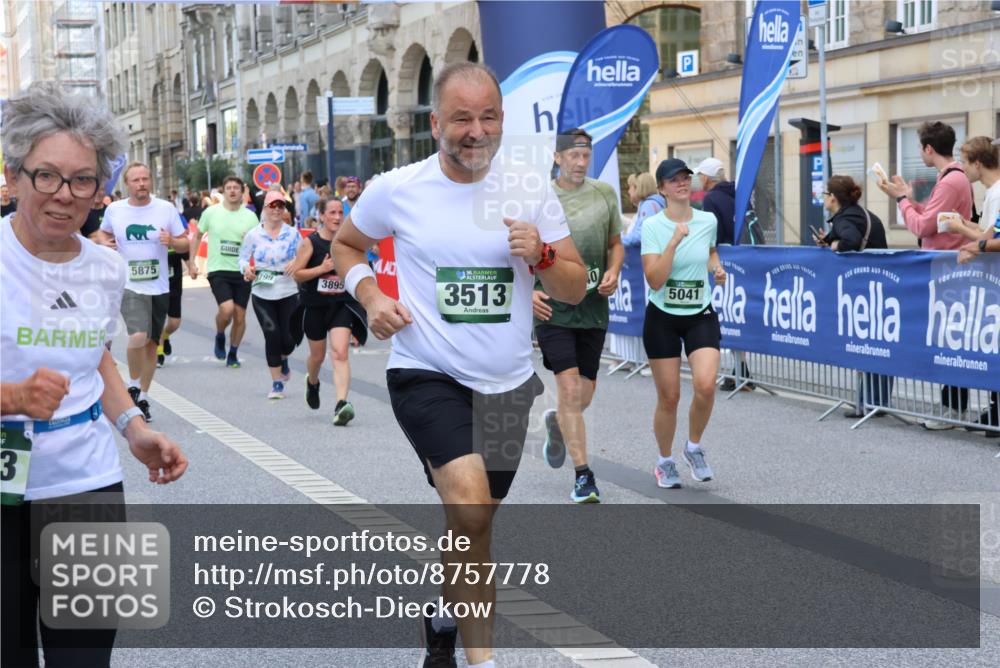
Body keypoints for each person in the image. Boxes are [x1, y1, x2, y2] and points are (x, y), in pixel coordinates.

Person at [332, 61, 585, 668]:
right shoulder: (398, 187)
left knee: (473, 528)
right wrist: (370, 297)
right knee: (470, 505)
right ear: (436, 121)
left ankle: (444, 617)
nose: (477, 131)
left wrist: (544, 252)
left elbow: (574, 287)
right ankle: (485, 663)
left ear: (503, 119)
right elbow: (346, 245)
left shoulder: (529, 187)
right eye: (463, 118)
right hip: (426, 372)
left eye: (489, 116)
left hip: (508, 386)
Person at [1, 81, 188, 668]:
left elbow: (96, 355)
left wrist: (132, 427)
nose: (65, 195)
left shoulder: (107, 268)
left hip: (87, 483)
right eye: (47, 176)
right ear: (13, 177)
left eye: (83, 180)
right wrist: (11, 396)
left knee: (84, 659)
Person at [533, 129, 622, 503]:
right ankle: (584, 476)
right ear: (558, 157)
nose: (581, 162)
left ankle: (557, 422)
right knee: (569, 388)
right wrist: (531, 292)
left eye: (586, 156)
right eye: (574, 156)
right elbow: (518, 250)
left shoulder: (604, 194)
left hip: (592, 309)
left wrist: (614, 272)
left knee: (582, 397)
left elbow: (614, 245)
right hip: (553, 308)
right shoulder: (540, 197)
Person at [878, 121, 974, 429]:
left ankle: (953, 408)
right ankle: (950, 404)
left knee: (951, 338)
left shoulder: (949, 182)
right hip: (947, 265)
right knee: (948, 338)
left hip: (948, 269)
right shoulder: (949, 179)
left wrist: (901, 200)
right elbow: (932, 219)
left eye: (920, 148)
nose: (920, 153)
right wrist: (908, 198)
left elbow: (921, 227)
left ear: (928, 149)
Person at [641, 158, 727, 489]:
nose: (681, 183)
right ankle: (664, 461)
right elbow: (655, 279)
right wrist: (674, 242)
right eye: (673, 179)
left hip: (699, 313)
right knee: (670, 397)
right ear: (661, 188)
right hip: (662, 316)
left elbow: (710, 252)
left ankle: (693, 447)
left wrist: (716, 268)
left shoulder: (707, 220)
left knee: (706, 384)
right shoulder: (652, 226)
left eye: (686, 178)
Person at [97, 163, 188, 422]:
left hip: (158, 285)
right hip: (129, 284)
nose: (141, 184)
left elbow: (185, 243)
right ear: (128, 184)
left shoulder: (165, 209)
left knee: (151, 344)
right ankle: (133, 385)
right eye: (136, 180)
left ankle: (143, 396)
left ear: (151, 181)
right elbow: (102, 234)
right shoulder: (115, 210)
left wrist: (172, 242)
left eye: (145, 179)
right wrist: (105, 242)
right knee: (137, 336)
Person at [813, 175, 892, 417]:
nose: (824, 198)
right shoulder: (858, 214)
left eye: (825, 194)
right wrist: (828, 239)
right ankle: (874, 401)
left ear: (833, 198)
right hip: (880, 285)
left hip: (868, 288)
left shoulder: (846, 218)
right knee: (877, 344)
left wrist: (834, 245)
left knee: (869, 343)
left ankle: (869, 403)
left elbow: (850, 239)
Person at [293, 196, 368, 423]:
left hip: (341, 305)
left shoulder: (348, 242)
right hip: (314, 306)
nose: (336, 217)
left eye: (339, 213)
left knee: (340, 352)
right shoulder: (311, 243)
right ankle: (312, 382)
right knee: (317, 356)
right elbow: (297, 273)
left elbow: (362, 267)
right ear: (322, 216)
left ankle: (341, 404)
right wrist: (322, 268)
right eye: (332, 213)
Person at [190, 175, 260, 367]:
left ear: (241, 191)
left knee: (240, 315)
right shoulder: (211, 212)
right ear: (223, 191)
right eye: (228, 187)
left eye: (236, 188)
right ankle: (220, 334)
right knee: (227, 309)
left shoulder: (250, 216)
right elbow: (197, 236)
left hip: (242, 270)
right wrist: (192, 262)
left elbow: (260, 244)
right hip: (218, 269)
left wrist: (250, 241)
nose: (232, 191)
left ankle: (233, 353)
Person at [239, 190, 302, 398]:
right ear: (265, 208)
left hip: (288, 289)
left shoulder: (292, 233)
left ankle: (284, 359)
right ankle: (276, 383)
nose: (276, 210)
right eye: (272, 206)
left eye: (280, 206)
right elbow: (242, 259)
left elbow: (304, 255)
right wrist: (246, 270)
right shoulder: (253, 234)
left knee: (289, 339)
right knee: (272, 334)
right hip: (262, 290)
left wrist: (297, 262)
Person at [157, 212, 191, 368]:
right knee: (157, 318)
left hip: (174, 281)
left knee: (175, 322)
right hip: (156, 283)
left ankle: (165, 335)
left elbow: (185, 252)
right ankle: (159, 351)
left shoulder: (176, 238)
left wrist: (192, 266)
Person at [694, 157, 736, 245]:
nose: (699, 179)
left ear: (705, 178)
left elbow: (714, 237)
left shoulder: (711, 198)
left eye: (699, 175)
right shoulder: (734, 191)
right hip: (743, 250)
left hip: (726, 256)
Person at [621, 172, 663, 248]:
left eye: (630, 187)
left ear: (638, 187)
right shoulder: (649, 205)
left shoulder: (649, 206)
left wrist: (619, 240)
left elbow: (642, 235)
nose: (628, 191)